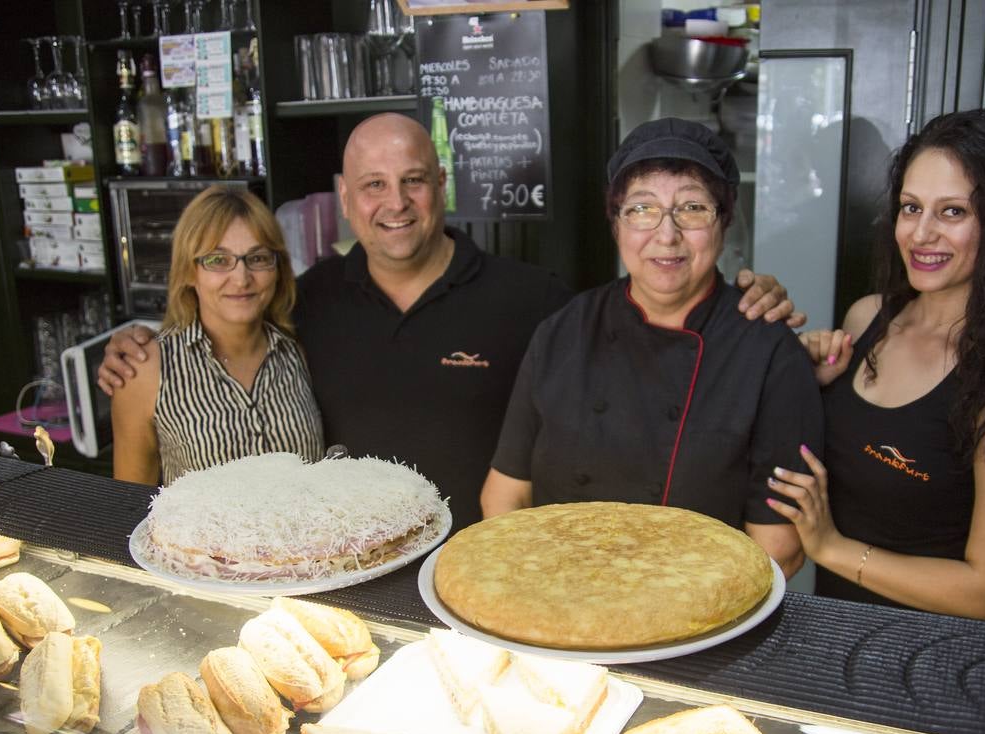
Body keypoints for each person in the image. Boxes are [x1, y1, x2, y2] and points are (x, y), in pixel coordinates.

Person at [99, 114, 804, 530]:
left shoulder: (536, 301)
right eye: (373, 185)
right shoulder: (302, 303)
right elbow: (229, 319)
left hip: (480, 576)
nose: (395, 203)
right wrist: (142, 345)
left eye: (413, 181)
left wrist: (741, 302)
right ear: (346, 200)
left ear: (442, 187)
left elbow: (645, 327)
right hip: (348, 574)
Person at [766, 109, 985, 620]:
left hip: (940, 656)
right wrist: (810, 388)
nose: (921, 233)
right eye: (911, 208)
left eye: (953, 212)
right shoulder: (866, 319)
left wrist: (832, 549)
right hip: (838, 629)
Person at [480, 118, 824, 577]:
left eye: (693, 208)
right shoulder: (563, 331)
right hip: (557, 598)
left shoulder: (769, 353)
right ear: (616, 222)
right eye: (642, 209)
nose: (667, 234)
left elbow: (777, 551)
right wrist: (539, 592)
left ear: (724, 221)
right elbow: (504, 496)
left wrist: (658, 611)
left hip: (697, 620)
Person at [111, 186, 325, 485]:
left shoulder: (299, 350)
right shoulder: (145, 369)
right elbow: (129, 505)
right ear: (188, 271)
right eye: (217, 260)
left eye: (258, 258)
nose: (241, 279)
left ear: (278, 269)